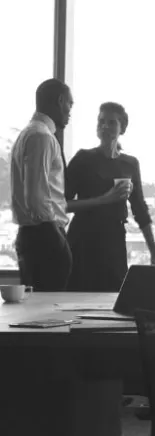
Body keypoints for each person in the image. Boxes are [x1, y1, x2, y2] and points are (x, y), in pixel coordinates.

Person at [64, 102, 155, 292]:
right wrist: (105, 199)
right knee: (78, 296)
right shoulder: (83, 159)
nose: (105, 126)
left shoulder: (130, 164)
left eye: (111, 122)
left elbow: (140, 210)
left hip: (114, 239)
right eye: (101, 121)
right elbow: (63, 204)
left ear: (122, 128)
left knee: (113, 296)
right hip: (83, 238)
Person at [10, 78, 74, 291]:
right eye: (69, 104)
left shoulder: (28, 134)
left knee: (37, 314)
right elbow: (36, 198)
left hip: (34, 235)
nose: (70, 112)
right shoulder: (41, 136)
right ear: (60, 100)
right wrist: (56, 237)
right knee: (48, 313)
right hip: (44, 235)